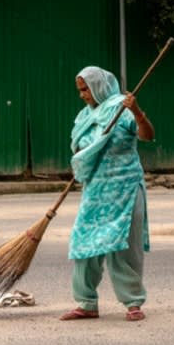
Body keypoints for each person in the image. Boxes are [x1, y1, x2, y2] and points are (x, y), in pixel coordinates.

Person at [59, 65, 155, 322]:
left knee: (124, 248)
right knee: (85, 246)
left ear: (97, 87)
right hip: (96, 191)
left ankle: (133, 303)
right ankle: (86, 303)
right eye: (79, 90)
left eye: (85, 90)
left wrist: (136, 110)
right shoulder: (84, 117)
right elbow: (82, 151)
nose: (82, 95)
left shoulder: (122, 109)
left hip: (124, 188)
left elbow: (147, 135)